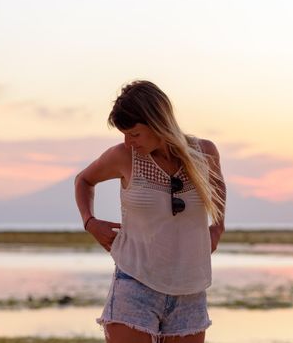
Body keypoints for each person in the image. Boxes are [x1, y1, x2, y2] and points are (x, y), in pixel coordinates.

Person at [74, 80, 226, 343]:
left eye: (134, 134)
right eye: (124, 134)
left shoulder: (205, 152)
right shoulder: (122, 157)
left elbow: (219, 190)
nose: (129, 142)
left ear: (159, 124)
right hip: (134, 284)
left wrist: (217, 228)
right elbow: (83, 180)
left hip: (190, 290)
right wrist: (90, 221)